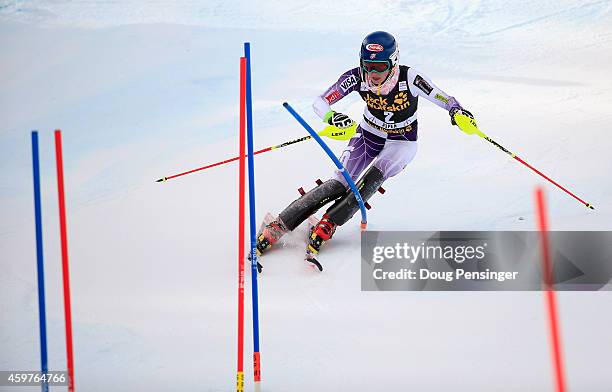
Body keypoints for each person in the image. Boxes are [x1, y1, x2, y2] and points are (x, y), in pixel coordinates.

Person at [255, 31, 474, 271]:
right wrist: (331, 116)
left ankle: (329, 223)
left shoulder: (410, 77)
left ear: (393, 62)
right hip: (369, 135)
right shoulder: (356, 77)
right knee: (339, 183)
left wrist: (457, 111)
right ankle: (279, 225)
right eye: (368, 66)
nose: (373, 74)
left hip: (402, 141)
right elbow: (320, 102)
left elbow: (443, 97)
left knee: (371, 180)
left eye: (380, 66)